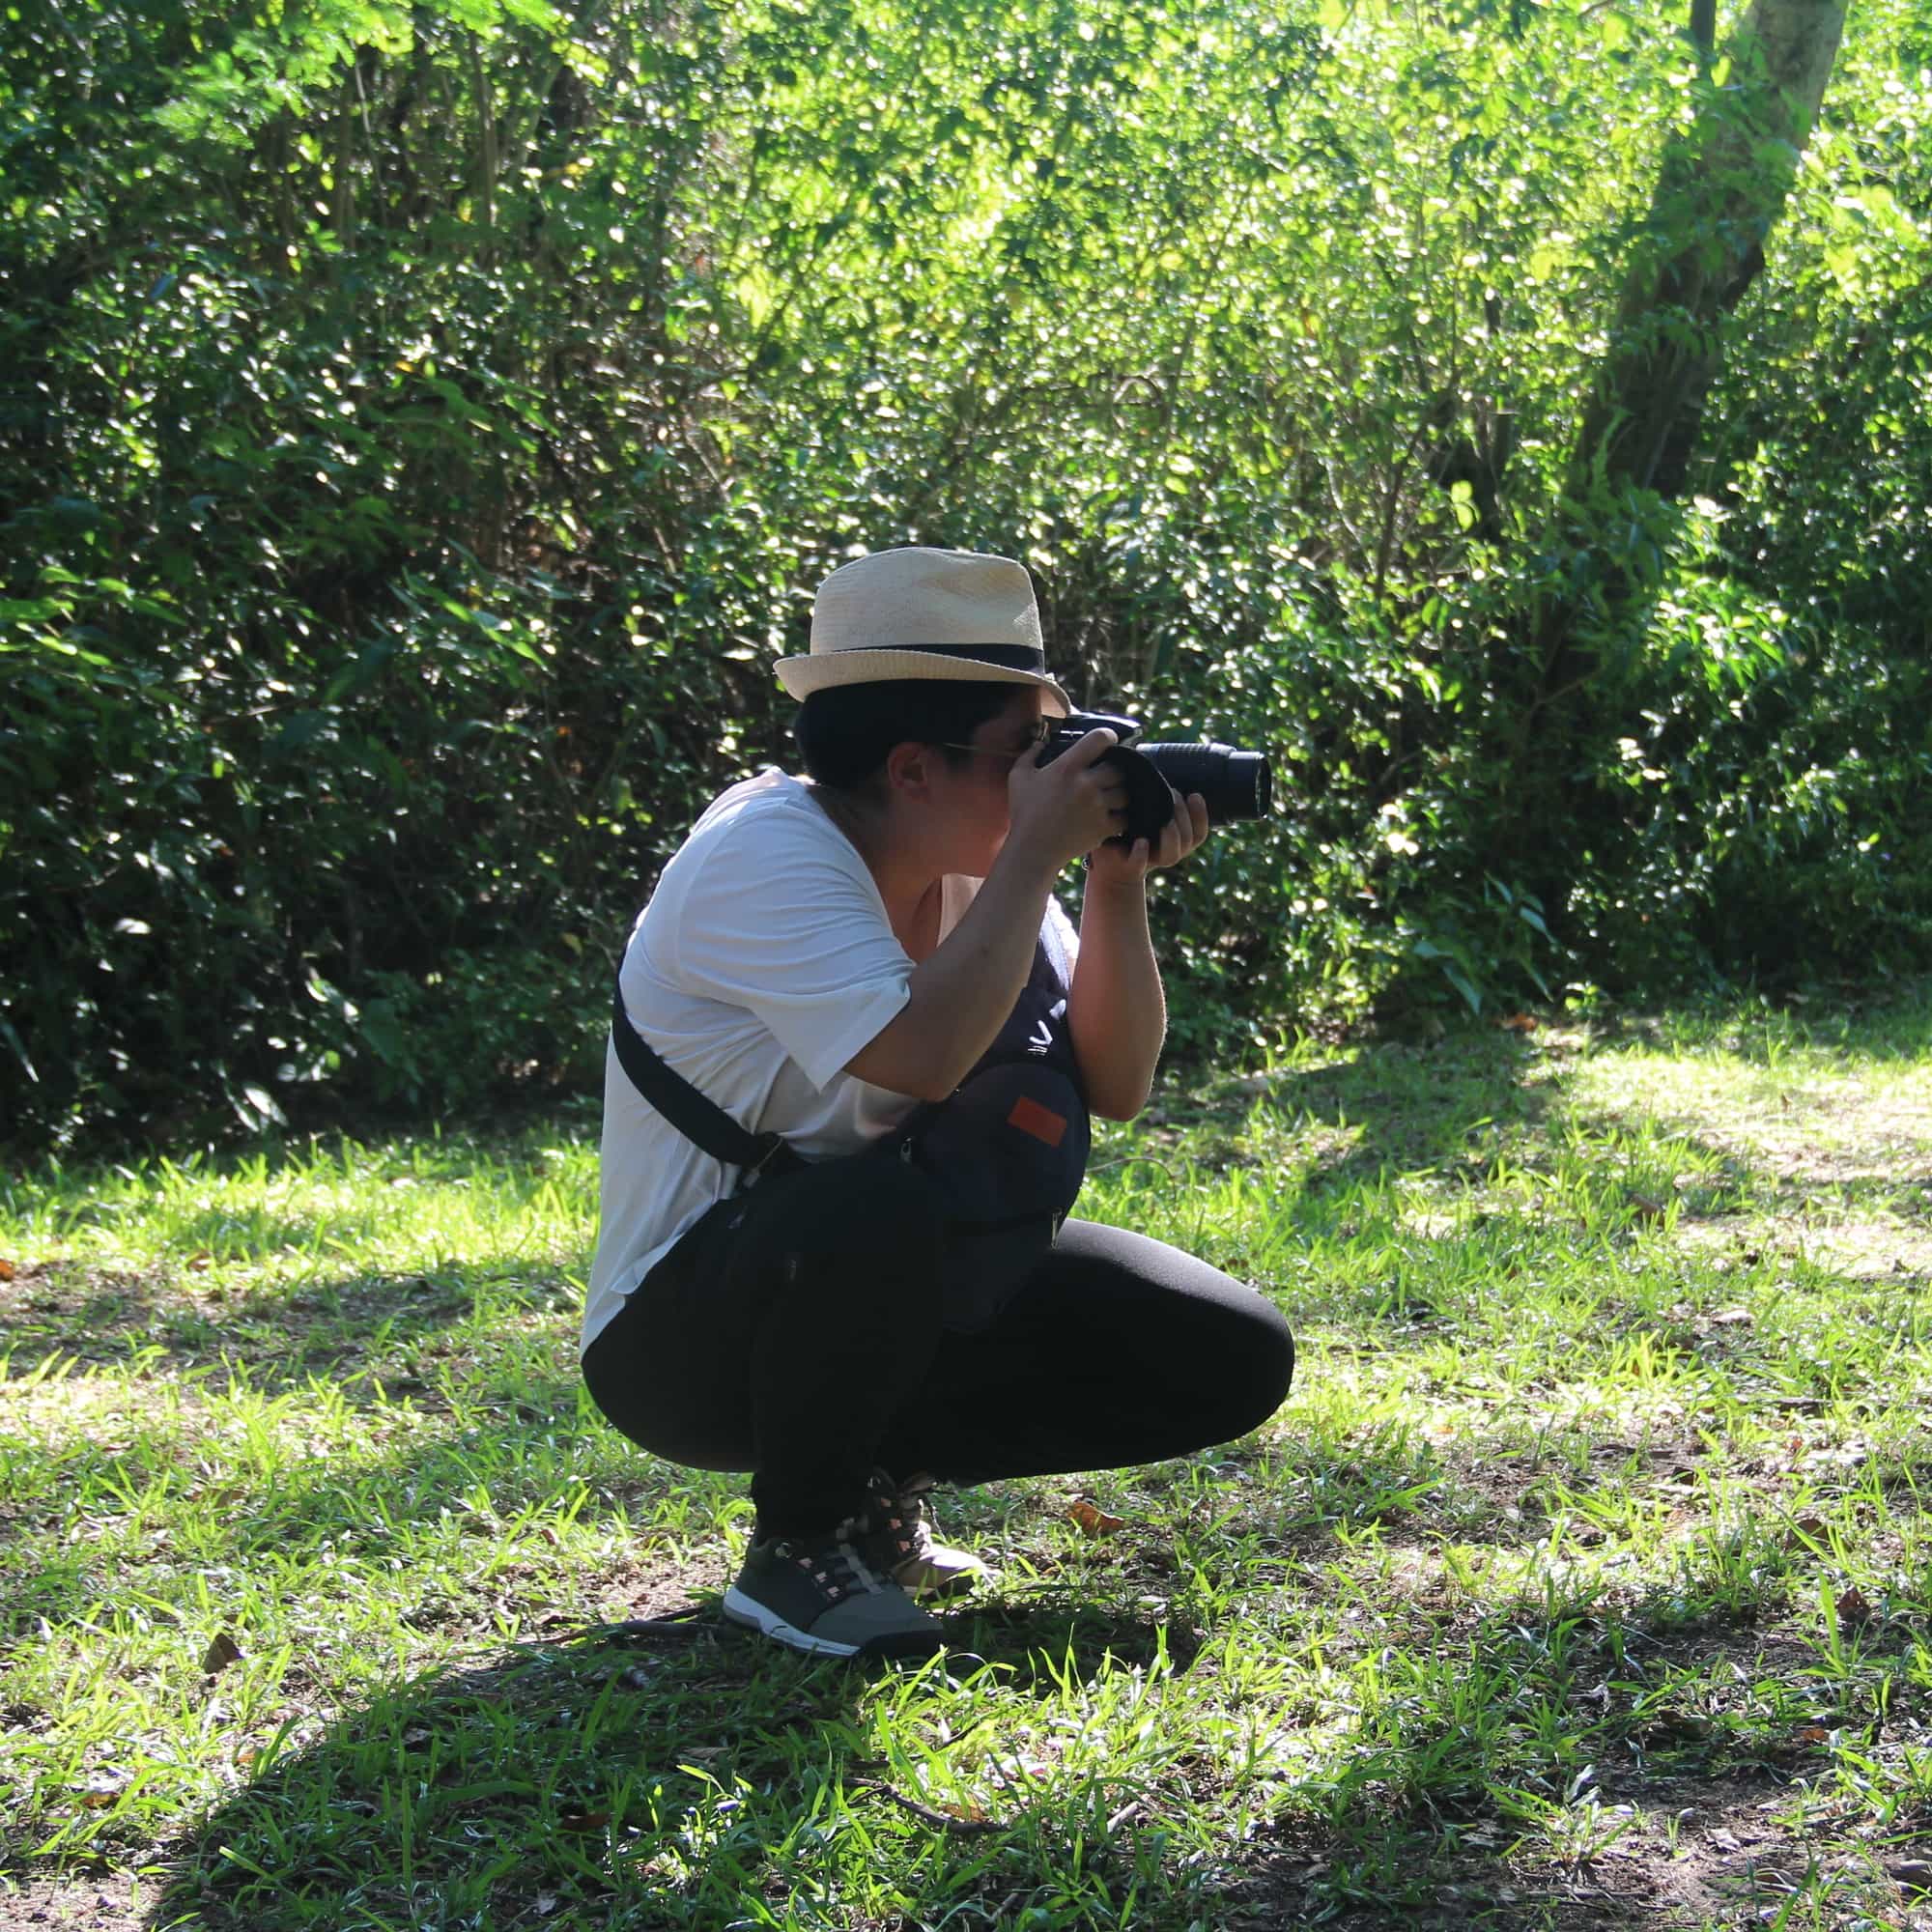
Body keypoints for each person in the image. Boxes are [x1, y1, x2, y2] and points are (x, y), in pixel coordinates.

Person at [582, 547, 1293, 1660]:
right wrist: (1035, 861)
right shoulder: (762, 855)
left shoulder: (980, 861)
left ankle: (874, 1492)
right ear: (913, 767)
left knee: (1224, 1346)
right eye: (1025, 751)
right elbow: (918, 1055)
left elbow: (1117, 1081)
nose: (1055, 778)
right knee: (873, 1207)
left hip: (864, 1296)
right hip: (683, 1338)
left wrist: (1110, 882)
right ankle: (799, 1546)